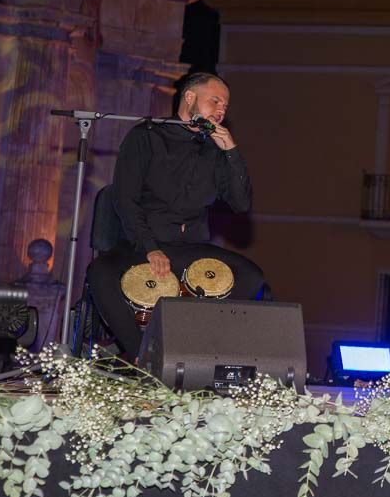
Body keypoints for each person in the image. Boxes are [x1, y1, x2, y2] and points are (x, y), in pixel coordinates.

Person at [86, 73, 268, 361]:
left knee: (251, 275)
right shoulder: (147, 135)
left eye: (226, 105)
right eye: (215, 100)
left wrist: (232, 152)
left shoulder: (216, 150)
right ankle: (141, 357)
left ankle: (198, 349)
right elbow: (125, 198)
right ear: (190, 98)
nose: (221, 109)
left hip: (189, 246)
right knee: (100, 272)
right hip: (142, 242)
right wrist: (150, 247)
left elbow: (240, 203)